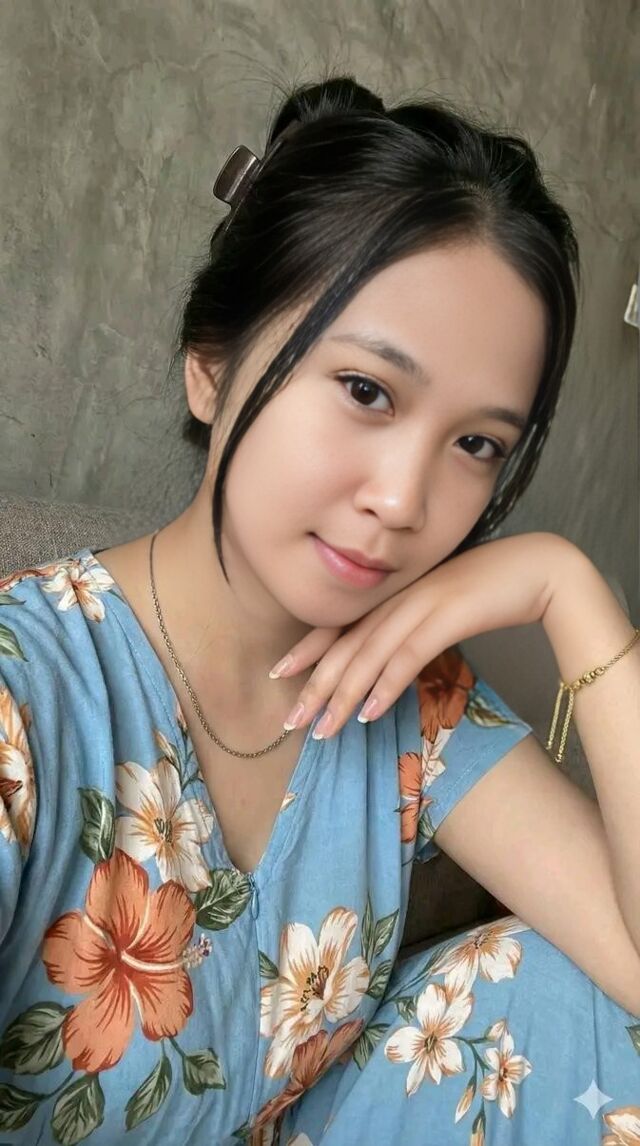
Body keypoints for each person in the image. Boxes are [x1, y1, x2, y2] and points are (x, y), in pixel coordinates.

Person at [0, 75, 638, 1146]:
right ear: (212, 367)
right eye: (366, 390)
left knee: (573, 1003)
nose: (403, 501)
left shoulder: (412, 703)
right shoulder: (24, 698)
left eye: (476, 444)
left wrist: (567, 590)